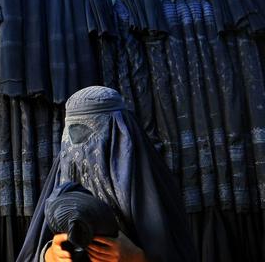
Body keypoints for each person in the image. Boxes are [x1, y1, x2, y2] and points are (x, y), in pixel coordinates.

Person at [17, 86, 197, 262]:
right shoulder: (61, 180)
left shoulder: (158, 192)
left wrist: (137, 258)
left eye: (89, 134)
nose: (78, 148)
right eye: (72, 135)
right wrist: (48, 256)